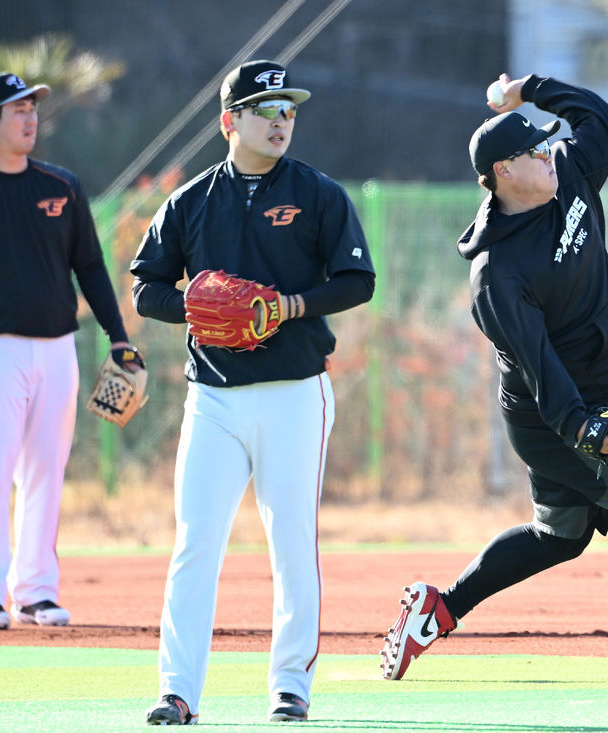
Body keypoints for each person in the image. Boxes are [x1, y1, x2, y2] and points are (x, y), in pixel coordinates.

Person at [380, 73, 608, 685]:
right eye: (533, 150)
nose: (550, 152)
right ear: (502, 172)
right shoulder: (498, 272)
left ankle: (439, 611)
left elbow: (604, 120)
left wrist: (532, 89)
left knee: (560, 535)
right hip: (553, 417)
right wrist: (583, 429)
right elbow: (535, 362)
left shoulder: (566, 178)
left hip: (585, 403)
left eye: (548, 145)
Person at [132, 59, 375, 725]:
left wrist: (287, 305)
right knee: (195, 541)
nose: (281, 121)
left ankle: (290, 684)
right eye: (265, 110)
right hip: (212, 394)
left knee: (290, 539)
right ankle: (178, 690)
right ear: (228, 120)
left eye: (288, 110)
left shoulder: (319, 193)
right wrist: (197, 305)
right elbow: (145, 286)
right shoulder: (190, 201)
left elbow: (357, 281)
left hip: (295, 391)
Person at [0, 72, 142, 632]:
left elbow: (89, 268)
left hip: (57, 347)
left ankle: (36, 591)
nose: (30, 117)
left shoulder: (62, 187)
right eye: (17, 110)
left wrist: (119, 338)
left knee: (46, 471)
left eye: (33, 107)